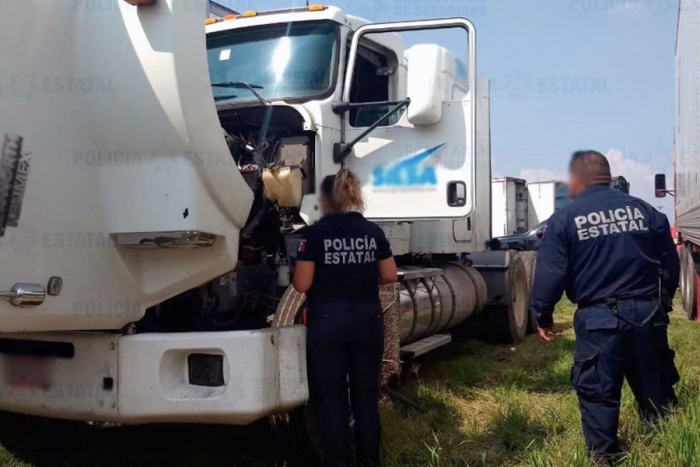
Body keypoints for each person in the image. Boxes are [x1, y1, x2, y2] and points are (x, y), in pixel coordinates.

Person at [530, 150, 680, 463]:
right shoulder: (647, 211)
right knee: (656, 386)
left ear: (577, 180)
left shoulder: (564, 220)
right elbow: (670, 263)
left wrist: (542, 315)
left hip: (598, 320)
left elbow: (550, 275)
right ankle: (668, 450)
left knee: (599, 393)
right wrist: (662, 301)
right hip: (648, 314)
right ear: (609, 177)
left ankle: (606, 457)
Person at [293, 169, 398, 467]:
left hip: (328, 323)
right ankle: (369, 462)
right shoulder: (372, 232)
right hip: (367, 320)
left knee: (332, 402)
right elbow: (389, 275)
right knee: (366, 401)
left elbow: (302, 284)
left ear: (325, 199)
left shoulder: (314, 233)